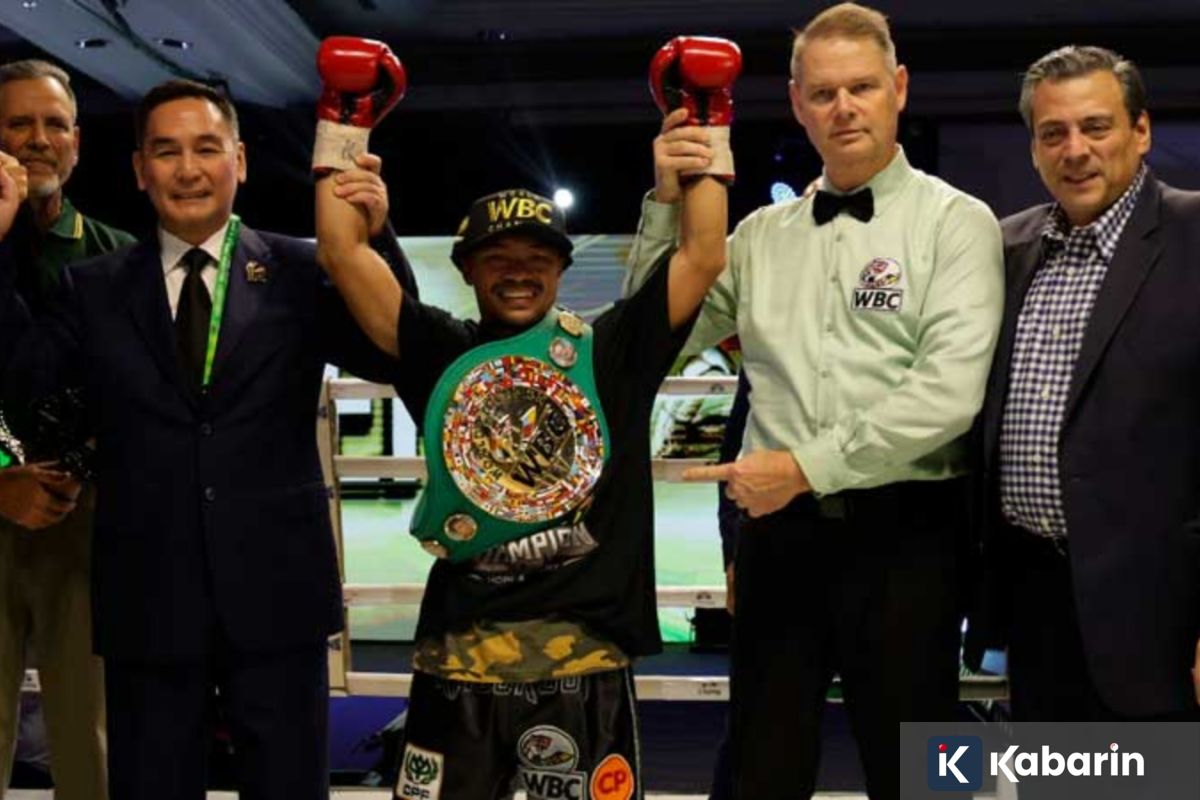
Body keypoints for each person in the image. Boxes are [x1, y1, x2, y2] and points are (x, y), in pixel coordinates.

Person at [313, 39, 733, 799]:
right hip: (459, 661)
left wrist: (707, 118)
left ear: (562, 269)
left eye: (537, 257)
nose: (517, 270)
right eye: (496, 256)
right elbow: (344, 253)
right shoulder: (441, 352)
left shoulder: (607, 354)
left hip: (584, 665)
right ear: (467, 269)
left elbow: (702, 253)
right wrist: (343, 122)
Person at [0, 77, 417, 800]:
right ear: (140, 169)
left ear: (240, 160)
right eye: (166, 152)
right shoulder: (93, 289)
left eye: (206, 148)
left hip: (277, 594)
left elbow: (394, 350)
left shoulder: (301, 271)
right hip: (148, 600)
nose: (187, 169)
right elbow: (30, 399)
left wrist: (376, 237)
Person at [624, 4, 1003, 798]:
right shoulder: (760, 236)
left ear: (899, 88)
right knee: (762, 767)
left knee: (920, 775)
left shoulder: (957, 223)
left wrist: (803, 467)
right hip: (780, 540)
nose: (844, 108)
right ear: (797, 103)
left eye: (862, 87)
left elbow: (947, 395)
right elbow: (650, 338)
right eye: (824, 93)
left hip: (908, 536)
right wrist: (666, 204)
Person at [967, 45, 1200, 722]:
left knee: (1164, 775)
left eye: (1096, 127)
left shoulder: (1194, 237)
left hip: (1165, 614)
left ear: (1141, 130)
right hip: (1034, 602)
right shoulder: (1004, 249)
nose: (1075, 150)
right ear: (1034, 149)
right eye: (1053, 134)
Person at [0, 58, 134, 800]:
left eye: (54, 124)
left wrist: (79, 468)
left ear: (77, 143)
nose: (37, 139)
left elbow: (143, 398)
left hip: (82, 516)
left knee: (87, 739)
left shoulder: (118, 257)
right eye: (18, 123)